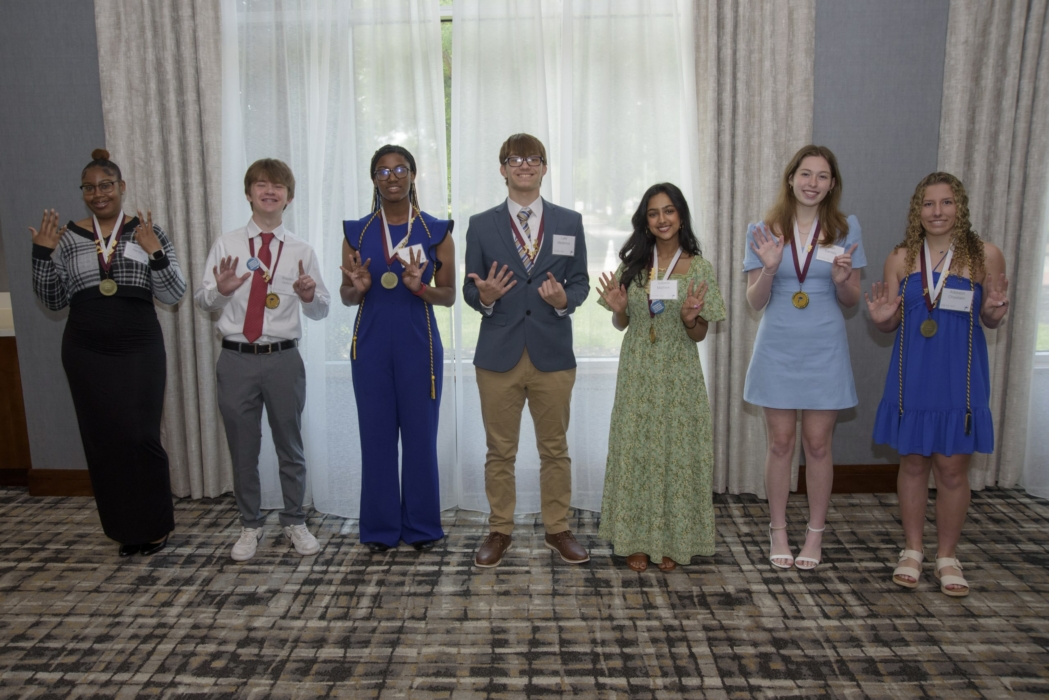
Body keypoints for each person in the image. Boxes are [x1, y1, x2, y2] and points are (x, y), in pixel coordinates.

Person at [30, 148, 186, 557]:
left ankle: (154, 526)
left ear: (122, 187)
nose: (98, 194)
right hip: (86, 350)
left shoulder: (147, 230)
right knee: (103, 439)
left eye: (106, 185)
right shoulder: (67, 237)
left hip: (139, 346)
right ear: (82, 192)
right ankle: (124, 530)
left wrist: (155, 252)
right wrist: (42, 254)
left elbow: (174, 293)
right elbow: (53, 300)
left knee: (140, 435)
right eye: (89, 188)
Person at [868, 172, 1008, 598]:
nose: (938, 211)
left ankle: (947, 555)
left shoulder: (985, 255)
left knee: (951, 469)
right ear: (918, 210)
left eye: (946, 202)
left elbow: (990, 318)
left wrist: (995, 310)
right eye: (929, 204)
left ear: (959, 207)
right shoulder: (901, 258)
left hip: (959, 381)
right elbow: (891, 320)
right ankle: (912, 550)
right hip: (912, 377)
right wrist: (882, 319)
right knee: (912, 464)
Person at [462, 133, 590, 567]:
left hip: (552, 353)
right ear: (503, 169)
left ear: (544, 167)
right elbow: (470, 287)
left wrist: (564, 300)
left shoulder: (569, 221)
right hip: (498, 355)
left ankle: (558, 528)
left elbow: (580, 282)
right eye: (514, 159)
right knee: (500, 451)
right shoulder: (481, 225)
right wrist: (485, 297)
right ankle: (500, 530)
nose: (524, 165)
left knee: (555, 449)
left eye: (533, 158)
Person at [195, 158, 330, 562]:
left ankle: (294, 520)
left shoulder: (302, 250)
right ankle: (250, 523)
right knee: (243, 447)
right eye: (261, 185)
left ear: (289, 197)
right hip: (236, 359)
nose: (269, 192)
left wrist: (309, 296)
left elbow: (321, 309)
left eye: (278, 186)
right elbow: (203, 300)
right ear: (248, 193)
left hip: (283, 359)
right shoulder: (227, 245)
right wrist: (221, 290)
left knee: (290, 445)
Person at [743, 144, 865, 571]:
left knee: (817, 444)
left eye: (822, 176)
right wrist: (770, 268)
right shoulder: (763, 230)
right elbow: (754, 301)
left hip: (824, 347)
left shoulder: (846, 228)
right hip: (777, 346)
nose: (813, 183)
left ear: (832, 184)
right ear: (791, 178)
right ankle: (777, 529)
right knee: (780, 443)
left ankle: (815, 533)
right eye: (806, 174)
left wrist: (843, 280)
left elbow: (852, 299)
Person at [596, 183, 726, 572]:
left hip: (679, 374)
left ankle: (671, 539)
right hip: (637, 372)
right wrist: (619, 309)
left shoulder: (699, 268)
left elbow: (699, 333)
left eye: (669, 211)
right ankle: (635, 539)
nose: (662, 219)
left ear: (681, 216)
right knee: (637, 452)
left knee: (675, 455)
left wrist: (689, 319)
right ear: (645, 221)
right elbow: (622, 323)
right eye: (653, 213)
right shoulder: (633, 266)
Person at [340, 145, 455, 553]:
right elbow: (347, 296)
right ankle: (380, 527)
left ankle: (421, 525)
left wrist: (420, 288)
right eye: (383, 171)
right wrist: (357, 288)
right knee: (376, 438)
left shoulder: (436, 230)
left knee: (421, 439)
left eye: (401, 169)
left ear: (413, 175)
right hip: (370, 347)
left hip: (419, 347)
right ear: (374, 179)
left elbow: (448, 296)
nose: (392, 177)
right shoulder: (356, 232)